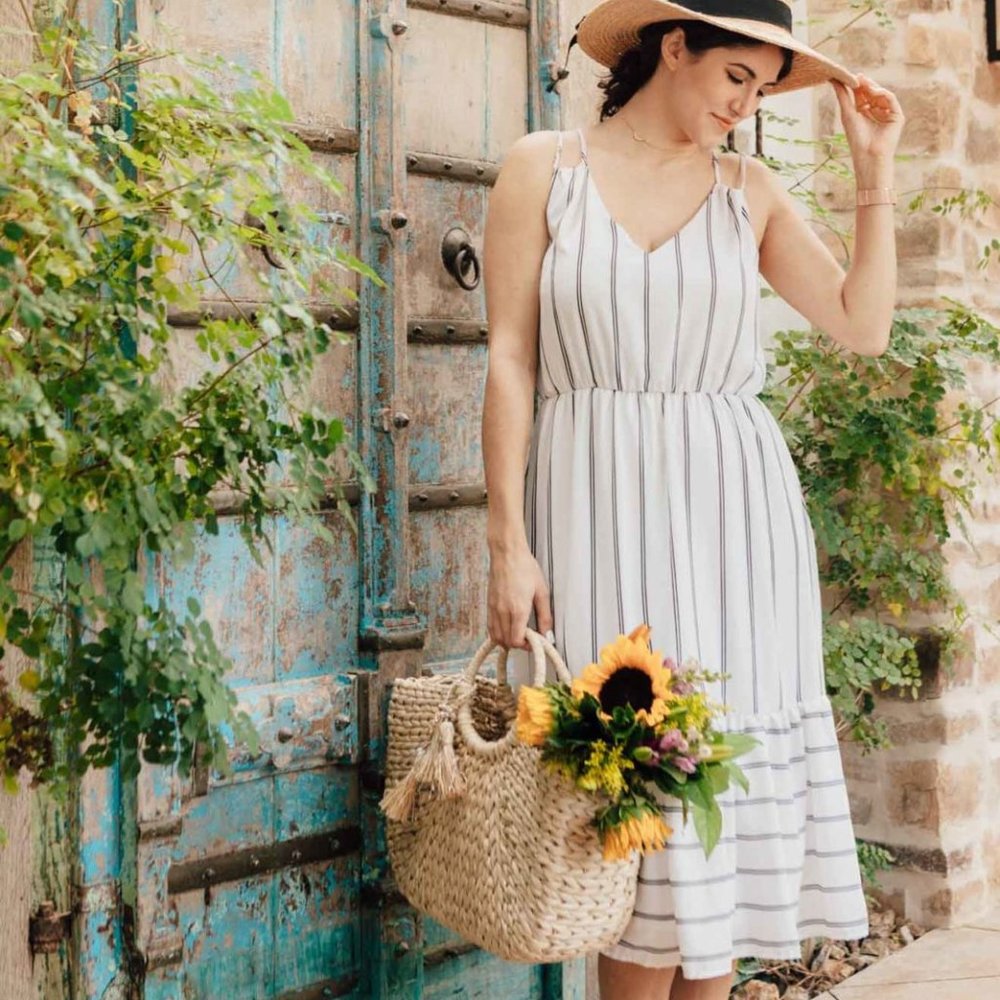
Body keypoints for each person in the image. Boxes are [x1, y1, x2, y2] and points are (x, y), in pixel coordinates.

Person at [480, 0, 904, 997]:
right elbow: (506, 358)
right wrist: (506, 538)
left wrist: (873, 174)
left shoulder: (745, 192)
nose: (745, 108)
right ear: (674, 47)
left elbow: (862, 325)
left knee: (716, 812)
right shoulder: (543, 169)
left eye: (761, 90)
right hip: (591, 502)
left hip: (735, 519)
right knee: (626, 807)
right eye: (734, 79)